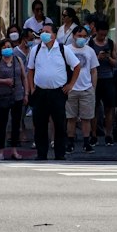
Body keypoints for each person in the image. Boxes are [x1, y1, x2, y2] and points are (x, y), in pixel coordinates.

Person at [26, 20, 78, 161]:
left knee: (60, 124)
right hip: (40, 92)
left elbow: (77, 66)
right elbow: (30, 70)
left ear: (54, 35)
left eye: (47, 32)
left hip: (58, 92)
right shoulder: (35, 50)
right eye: (42, 32)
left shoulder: (63, 49)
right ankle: (41, 153)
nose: (44, 34)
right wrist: (31, 88)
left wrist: (70, 85)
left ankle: (59, 154)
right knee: (40, 124)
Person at [0, 31, 27, 161]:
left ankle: (14, 150)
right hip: (3, 96)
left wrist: (26, 93)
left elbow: (23, 77)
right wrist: (3, 81)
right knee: (3, 124)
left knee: (16, 124)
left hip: (17, 95)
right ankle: (1, 151)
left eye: (9, 47)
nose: (7, 49)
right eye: (4, 47)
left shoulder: (18, 60)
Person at [66, 25, 99, 153]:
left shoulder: (90, 51)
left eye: (85, 36)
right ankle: (70, 142)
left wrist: (92, 88)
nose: (82, 38)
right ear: (73, 36)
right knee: (71, 118)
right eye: (79, 36)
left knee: (87, 118)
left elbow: (94, 71)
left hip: (86, 89)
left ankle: (86, 142)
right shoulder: (67, 50)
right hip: (71, 89)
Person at [90, 19, 117, 146]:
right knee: (94, 108)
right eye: (100, 35)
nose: (102, 37)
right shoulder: (90, 43)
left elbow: (116, 62)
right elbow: (87, 61)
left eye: (104, 35)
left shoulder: (111, 43)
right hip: (95, 79)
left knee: (109, 108)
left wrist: (108, 58)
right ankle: (94, 134)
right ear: (96, 32)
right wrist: (97, 57)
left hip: (108, 78)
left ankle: (108, 134)